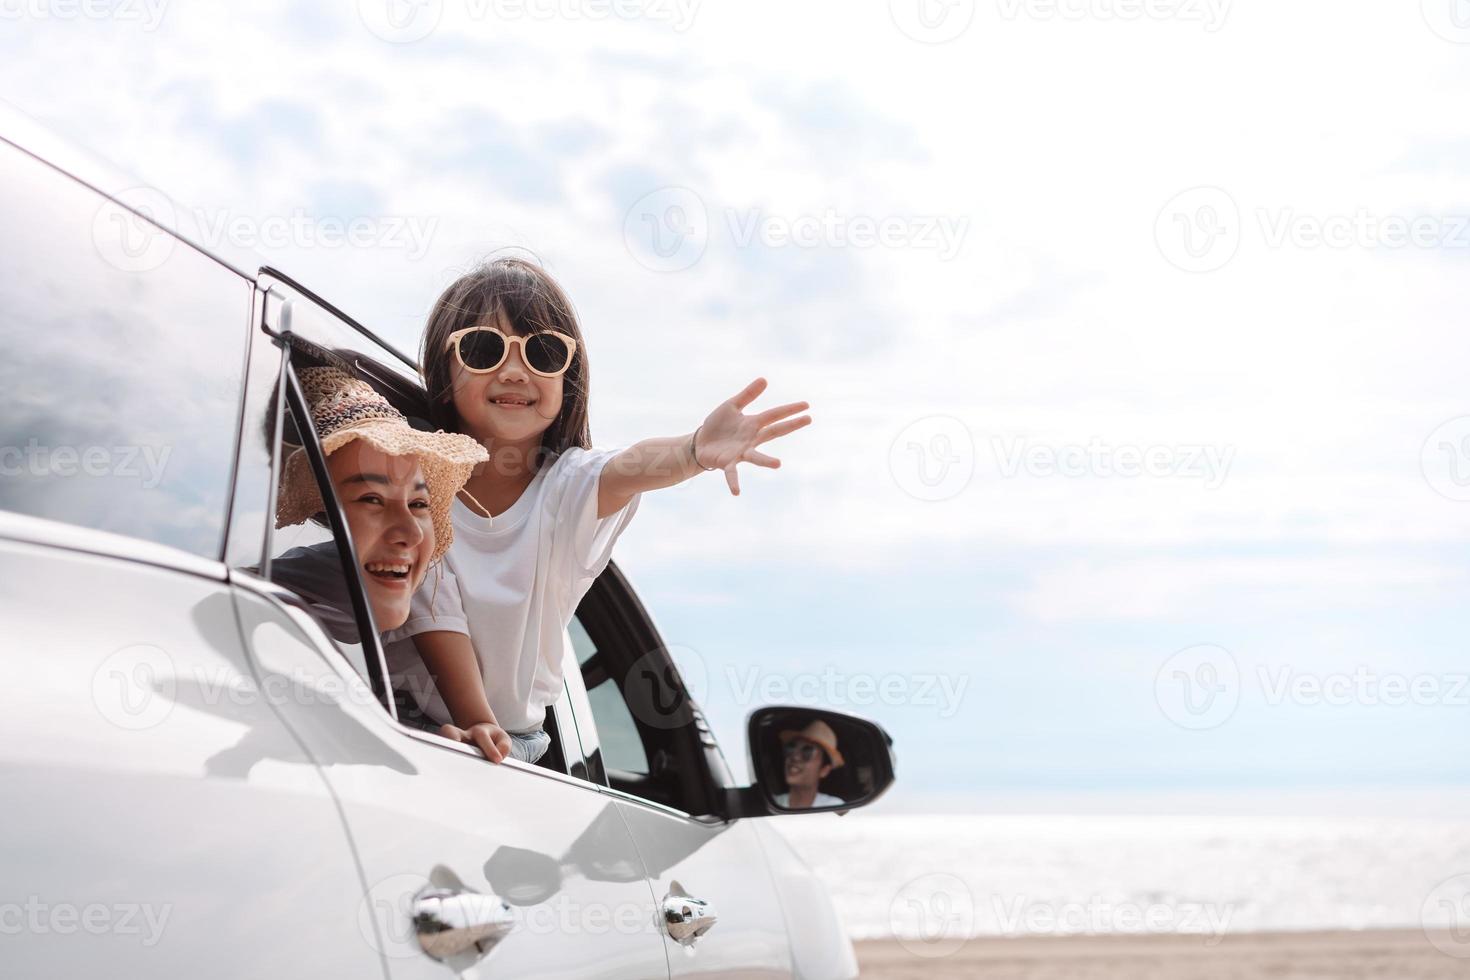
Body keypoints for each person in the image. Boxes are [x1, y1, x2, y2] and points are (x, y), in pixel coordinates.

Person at [384, 257, 813, 765]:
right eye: (485, 349)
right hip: (392, 720)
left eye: (543, 352)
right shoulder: (410, 477)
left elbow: (630, 466)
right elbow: (435, 611)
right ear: (443, 368)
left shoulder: (568, 490)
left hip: (505, 748)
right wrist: (473, 721)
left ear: (569, 378)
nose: (516, 370)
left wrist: (694, 450)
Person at [269, 367, 504, 757]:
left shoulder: (429, 578)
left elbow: (482, 726)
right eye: (371, 499)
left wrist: (480, 736)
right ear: (324, 511)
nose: (410, 533)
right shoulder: (292, 584)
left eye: (419, 504)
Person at [774, 719, 845, 809]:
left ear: (824, 770)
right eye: (791, 748)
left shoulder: (834, 807)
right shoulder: (774, 803)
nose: (795, 756)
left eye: (807, 751)